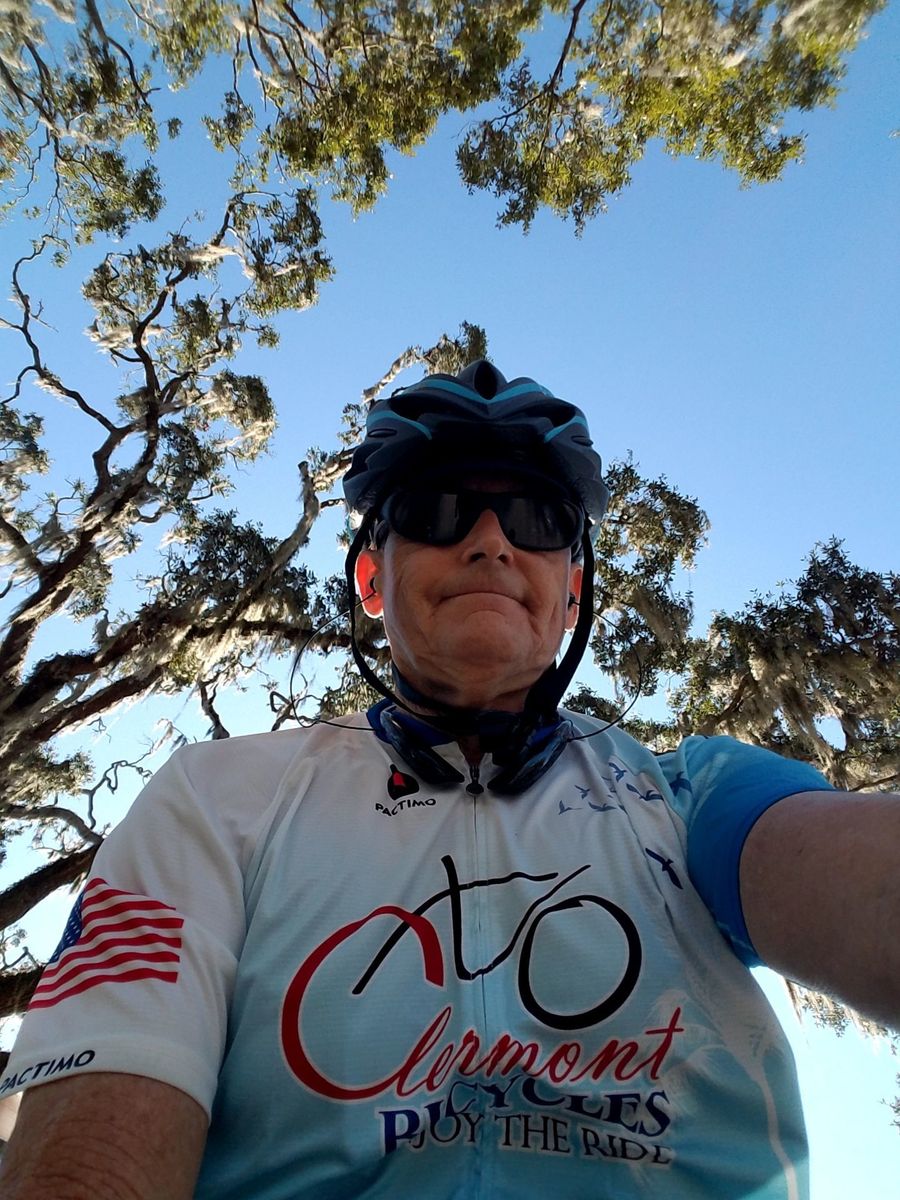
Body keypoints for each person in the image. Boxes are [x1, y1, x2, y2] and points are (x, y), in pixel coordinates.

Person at [0, 361, 897, 1200]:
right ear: (370, 579)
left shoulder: (692, 796)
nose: (491, 542)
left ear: (572, 592)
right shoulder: (216, 797)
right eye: (437, 509)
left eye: (537, 520)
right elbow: (97, 1141)